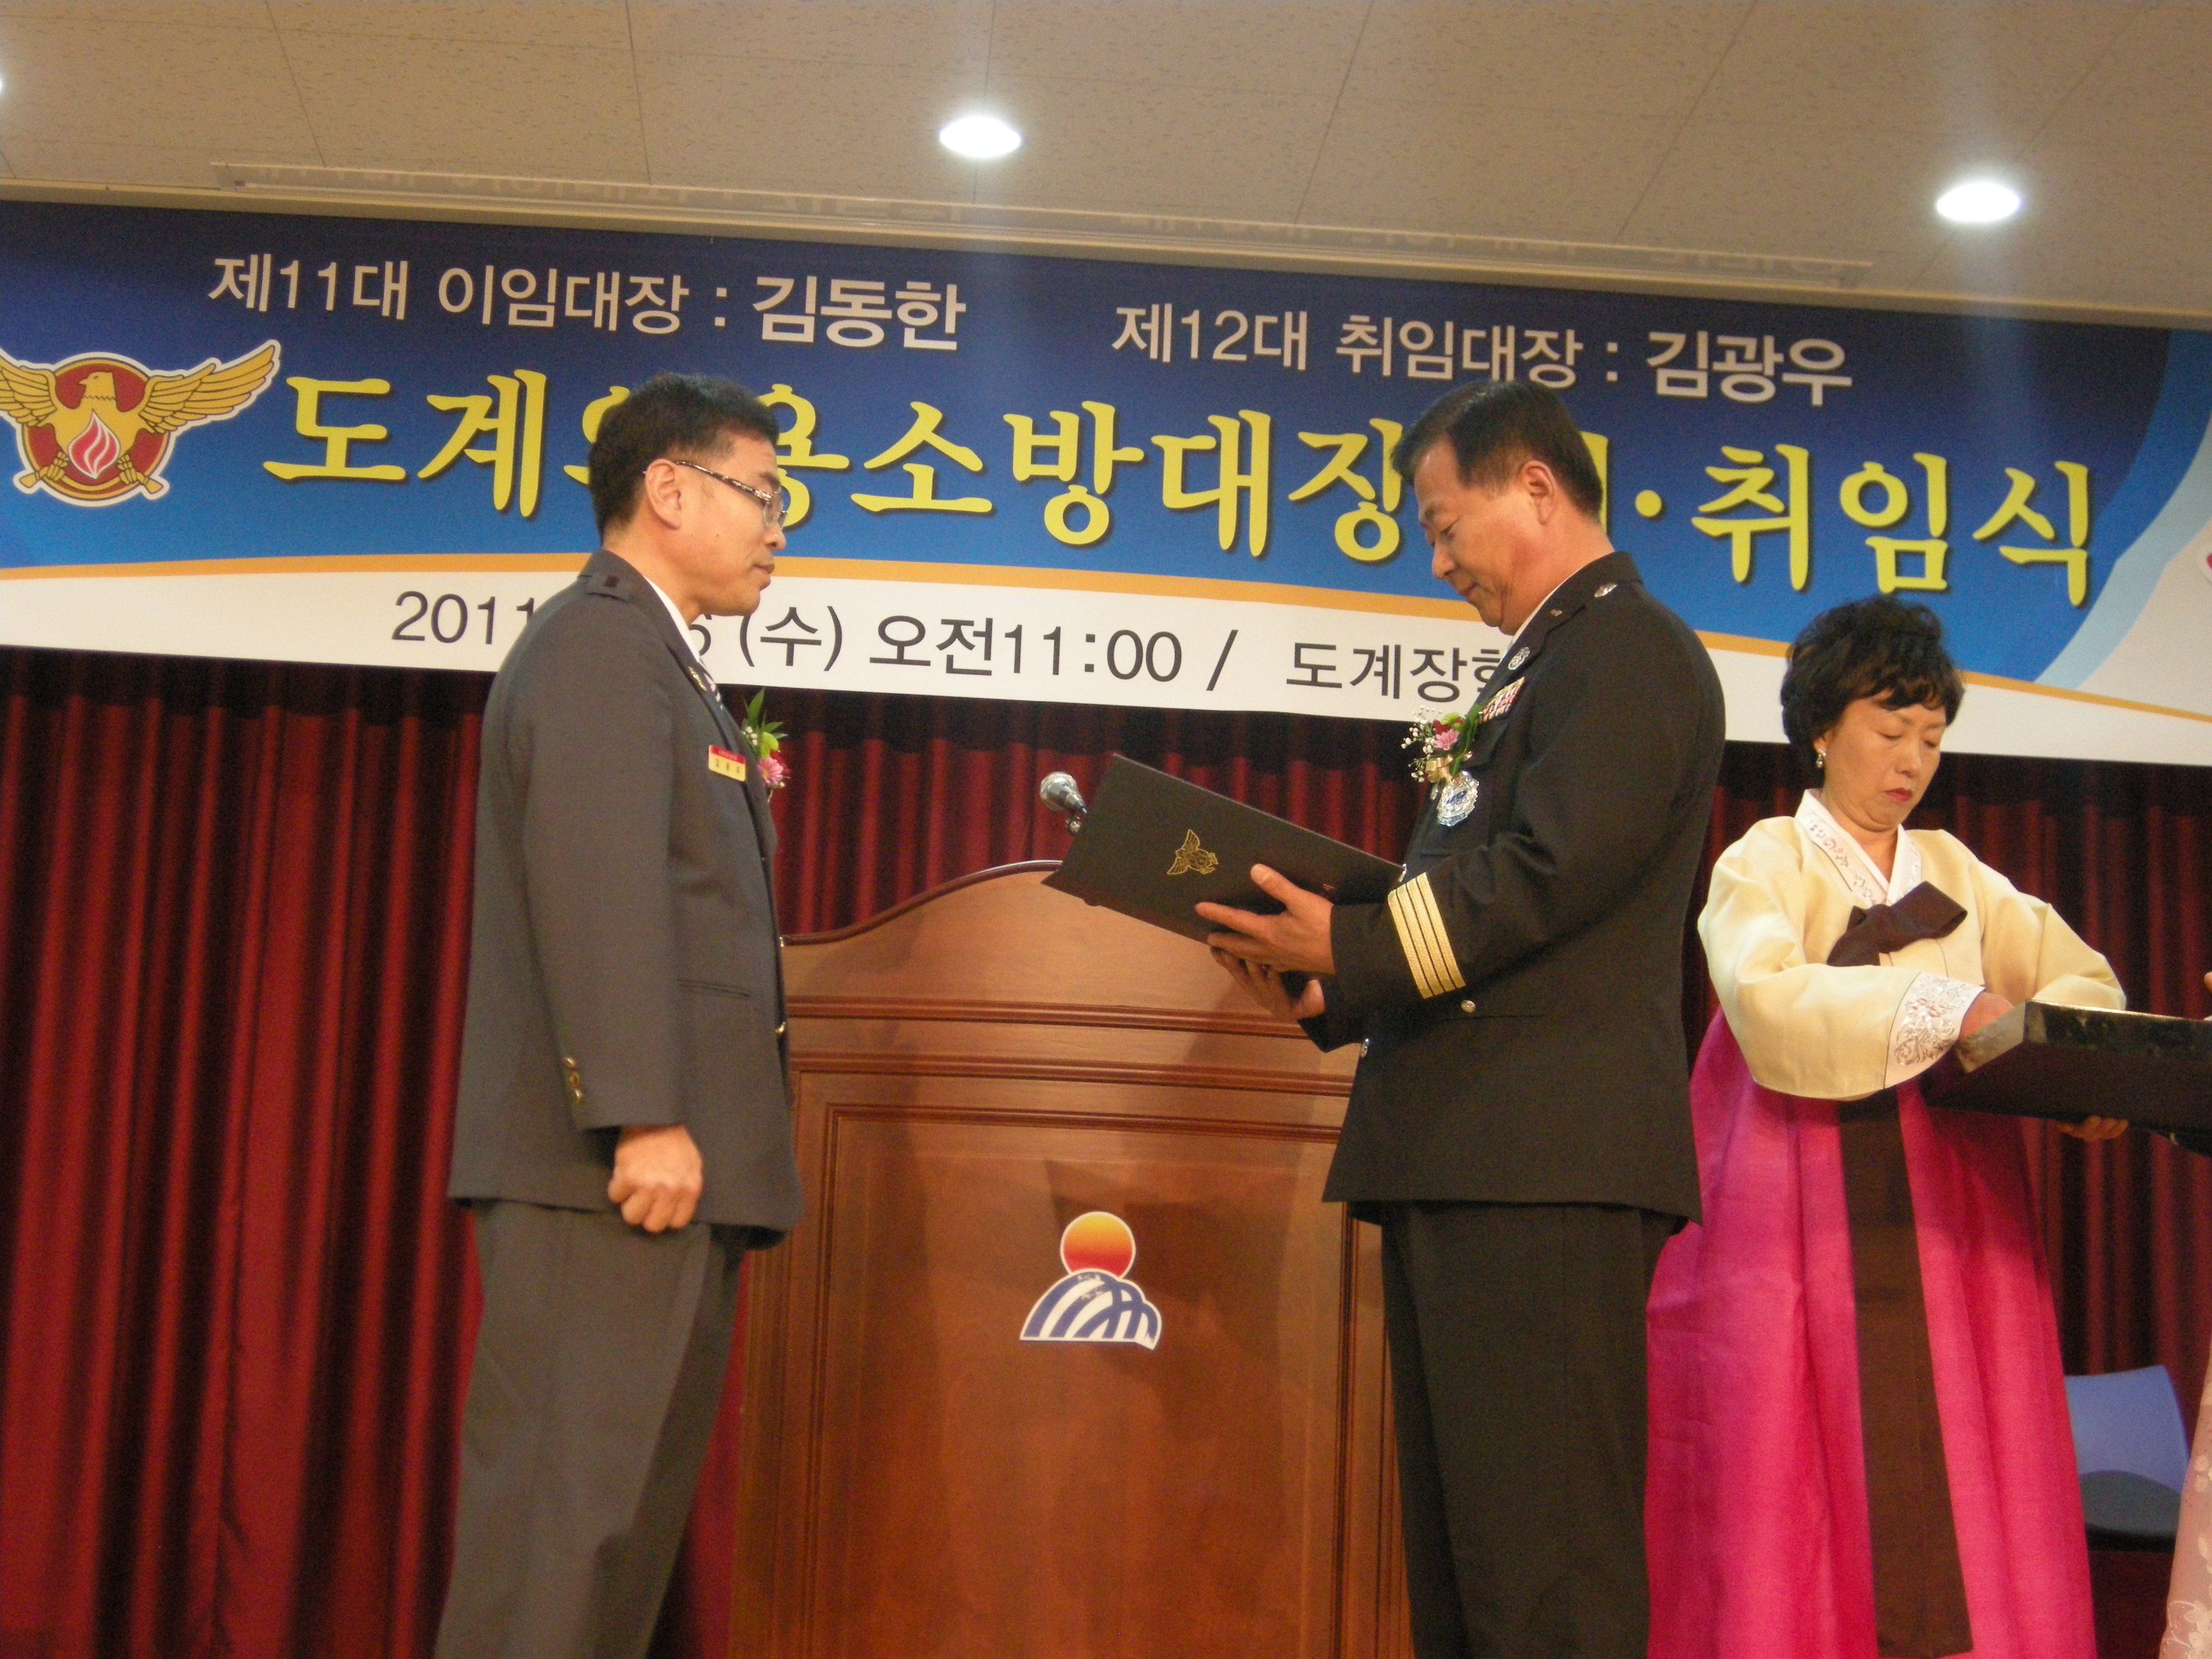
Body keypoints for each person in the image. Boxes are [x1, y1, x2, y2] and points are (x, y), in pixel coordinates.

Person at [1202, 379, 1725, 1658]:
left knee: (1542, 1569)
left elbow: (1547, 874)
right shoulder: (1543, 663)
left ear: (1535, 489)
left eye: (1442, 525)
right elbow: (1484, 902)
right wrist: (1322, 980)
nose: (1435, 562)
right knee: (1471, 1565)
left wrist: (1353, 943)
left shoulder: (1626, 649)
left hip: (1542, 1160)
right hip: (1475, 1149)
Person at [1645, 595, 2126, 1659]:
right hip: (1794, 1199)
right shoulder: (1766, 860)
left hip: (1951, 1208)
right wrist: (1948, 1004)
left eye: (1932, 739)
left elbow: (2081, 983)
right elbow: (1765, 999)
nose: (1912, 761)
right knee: (1786, 1445)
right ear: (1823, 727)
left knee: (1963, 1434)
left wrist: (2080, 1073)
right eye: (1890, 729)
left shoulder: (1959, 874)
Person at [435, 373, 804, 1659]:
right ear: (668, 490)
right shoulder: (601, 645)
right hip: (608, 1171)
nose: (778, 527)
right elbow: (598, 889)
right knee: (561, 1539)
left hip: (660, 1178)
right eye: (763, 493)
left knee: (613, 1548)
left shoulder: (659, 658)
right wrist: (643, 1115)